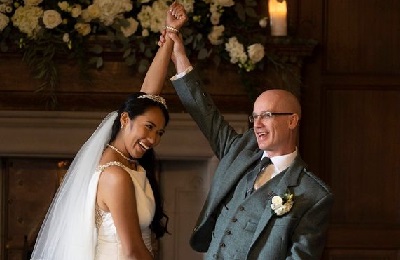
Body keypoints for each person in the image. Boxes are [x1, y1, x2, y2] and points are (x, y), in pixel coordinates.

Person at [155, 27, 334, 259]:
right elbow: (206, 115)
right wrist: (179, 56)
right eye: (254, 116)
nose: (257, 124)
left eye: (267, 115)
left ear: (292, 121)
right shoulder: (240, 151)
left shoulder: (313, 194)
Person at [30, 3, 187, 260]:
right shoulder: (116, 176)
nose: (153, 139)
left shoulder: (122, 162)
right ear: (125, 119)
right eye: (149, 128)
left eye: (159, 132)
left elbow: (148, 96)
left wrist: (169, 33)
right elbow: (133, 252)